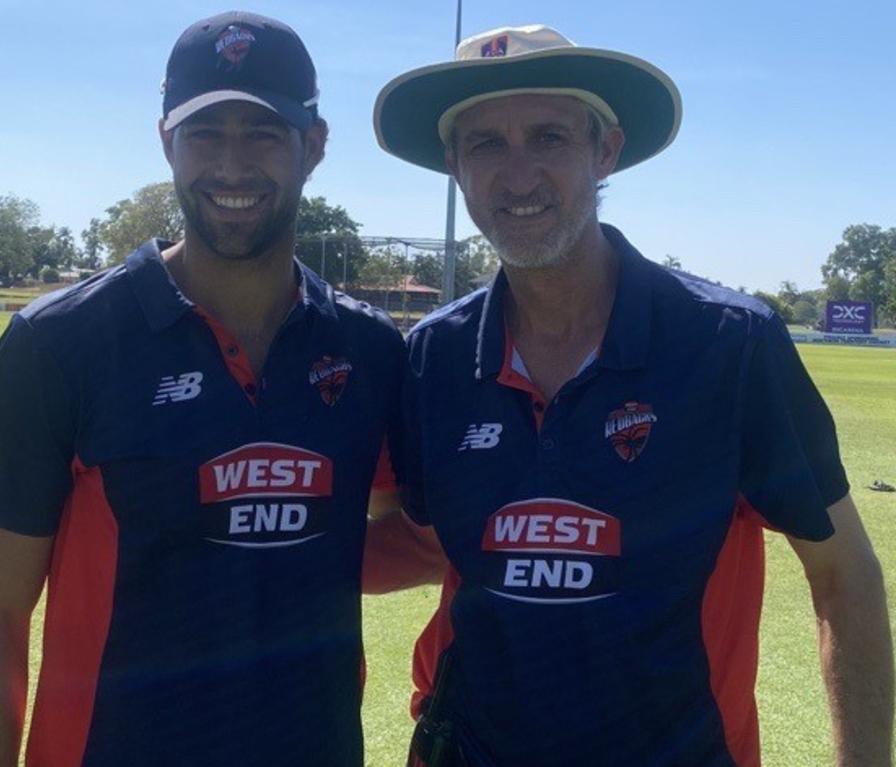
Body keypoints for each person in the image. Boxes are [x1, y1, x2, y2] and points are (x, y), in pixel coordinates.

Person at [374, 25, 893, 767]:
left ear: (605, 149)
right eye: (486, 143)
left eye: (548, 136)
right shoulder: (435, 355)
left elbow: (844, 574)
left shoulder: (727, 344)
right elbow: (429, 544)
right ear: (454, 164)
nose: (517, 176)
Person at [0, 12, 436, 766]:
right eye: (206, 133)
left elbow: (404, 532)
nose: (232, 166)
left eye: (264, 133)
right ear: (168, 143)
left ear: (315, 145)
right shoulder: (59, 343)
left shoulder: (367, 348)